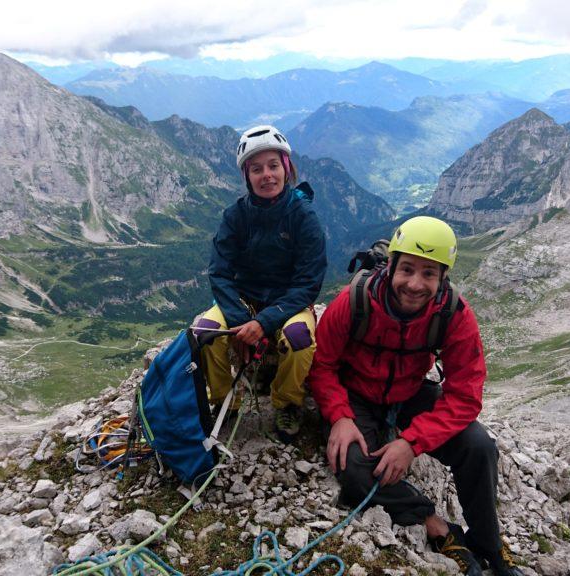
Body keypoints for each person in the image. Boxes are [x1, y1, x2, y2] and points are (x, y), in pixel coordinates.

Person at [309, 216, 522, 576]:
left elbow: (465, 396)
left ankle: (489, 545)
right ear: (390, 265)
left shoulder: (453, 314)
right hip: (356, 395)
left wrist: (411, 442)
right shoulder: (353, 301)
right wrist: (340, 416)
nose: (415, 284)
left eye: (429, 274)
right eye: (406, 269)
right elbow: (323, 366)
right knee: (354, 467)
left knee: (479, 446)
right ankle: (437, 526)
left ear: (443, 278)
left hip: (409, 394)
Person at [192, 125, 327, 443]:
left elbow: (308, 282)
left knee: (298, 338)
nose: (266, 175)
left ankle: (286, 402)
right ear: (247, 176)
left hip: (289, 300)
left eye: (273, 166)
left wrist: (264, 322)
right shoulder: (235, 217)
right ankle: (225, 402)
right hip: (244, 299)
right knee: (204, 333)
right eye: (256, 169)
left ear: (286, 168)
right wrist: (241, 321)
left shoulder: (303, 218)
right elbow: (220, 272)